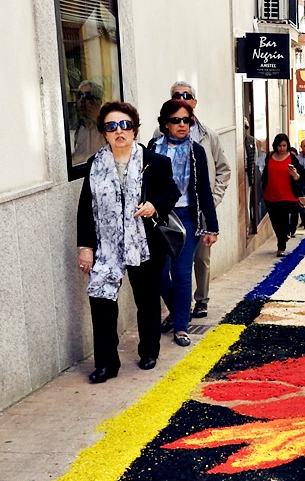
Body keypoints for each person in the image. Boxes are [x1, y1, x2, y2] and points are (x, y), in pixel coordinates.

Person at [77, 102, 176, 383]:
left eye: (124, 125)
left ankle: (149, 351)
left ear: (134, 129)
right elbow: (86, 209)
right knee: (101, 301)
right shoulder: (94, 166)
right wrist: (85, 247)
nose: (119, 131)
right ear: (104, 134)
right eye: (111, 127)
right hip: (106, 246)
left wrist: (154, 205)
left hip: (143, 242)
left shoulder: (153, 162)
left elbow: (171, 192)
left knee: (146, 300)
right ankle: (107, 364)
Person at [150, 82, 230, 322]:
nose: (181, 124)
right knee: (160, 272)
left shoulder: (206, 138)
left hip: (193, 213)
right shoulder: (155, 144)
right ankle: (178, 310)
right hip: (161, 216)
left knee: (190, 267)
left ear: (194, 106)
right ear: (166, 121)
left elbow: (218, 174)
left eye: (185, 120)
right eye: (177, 96)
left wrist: (211, 209)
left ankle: (190, 313)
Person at [260, 133, 305, 257]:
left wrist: (296, 176)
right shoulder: (269, 156)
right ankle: (282, 237)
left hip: (287, 195)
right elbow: (265, 174)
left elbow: (302, 177)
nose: (282, 148)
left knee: (284, 219)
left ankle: (281, 246)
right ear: (275, 145)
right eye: (279, 145)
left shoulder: (292, 158)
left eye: (284, 145)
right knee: (275, 222)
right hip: (270, 195)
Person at [71, 80, 106, 165]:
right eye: (79, 96)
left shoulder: (107, 128)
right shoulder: (77, 128)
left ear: (99, 102)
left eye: (87, 96)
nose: (82, 100)